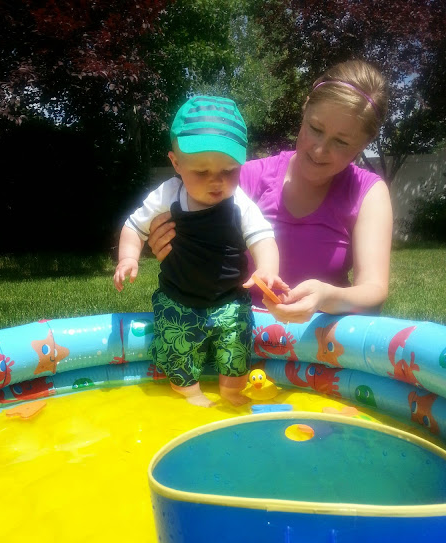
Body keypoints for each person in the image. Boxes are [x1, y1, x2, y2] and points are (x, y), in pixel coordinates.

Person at [147, 60, 393, 324]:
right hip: (238, 331)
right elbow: (189, 231)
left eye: (341, 142)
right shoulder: (244, 178)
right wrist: (170, 242)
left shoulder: (367, 193)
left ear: (363, 145)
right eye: (315, 129)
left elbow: (374, 291)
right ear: (305, 109)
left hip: (319, 336)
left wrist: (326, 297)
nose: (320, 149)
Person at [113, 95, 283, 407]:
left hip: (229, 300)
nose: (216, 181)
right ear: (176, 163)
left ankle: (232, 391)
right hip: (178, 297)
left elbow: (262, 238)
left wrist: (268, 268)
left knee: (236, 347)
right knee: (176, 348)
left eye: (229, 171)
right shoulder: (168, 195)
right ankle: (189, 393)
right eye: (202, 172)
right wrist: (128, 257)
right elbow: (134, 227)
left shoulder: (240, 202)